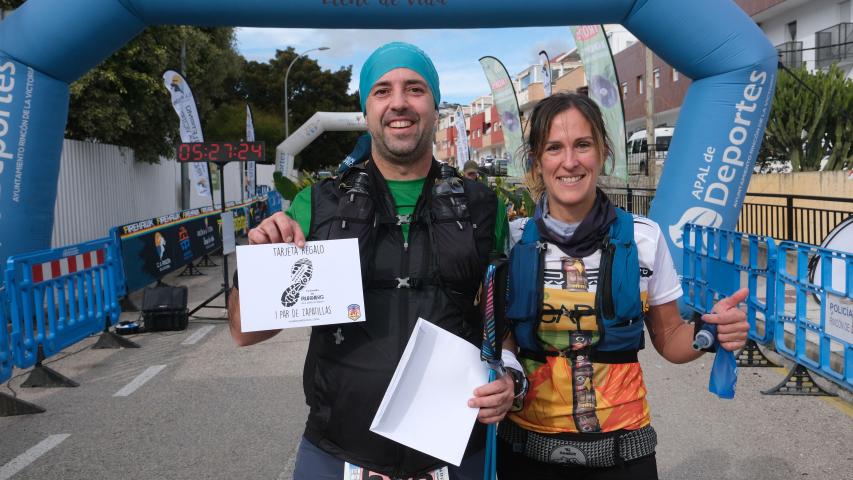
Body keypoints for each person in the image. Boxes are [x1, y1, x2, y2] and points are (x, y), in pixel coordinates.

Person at [227, 42, 517, 479]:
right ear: (366, 111)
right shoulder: (317, 204)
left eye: (414, 89)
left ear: (436, 106)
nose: (399, 102)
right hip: (337, 450)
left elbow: (501, 324)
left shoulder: (482, 206)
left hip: (455, 451)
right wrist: (261, 264)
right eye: (382, 91)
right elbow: (245, 331)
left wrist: (509, 377)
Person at [495, 92, 749, 480]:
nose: (570, 161)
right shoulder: (512, 241)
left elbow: (669, 338)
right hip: (526, 452)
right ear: (535, 161)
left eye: (583, 145)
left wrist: (710, 331)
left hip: (623, 455)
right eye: (554, 148)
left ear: (603, 152)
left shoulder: (645, 238)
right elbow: (501, 340)